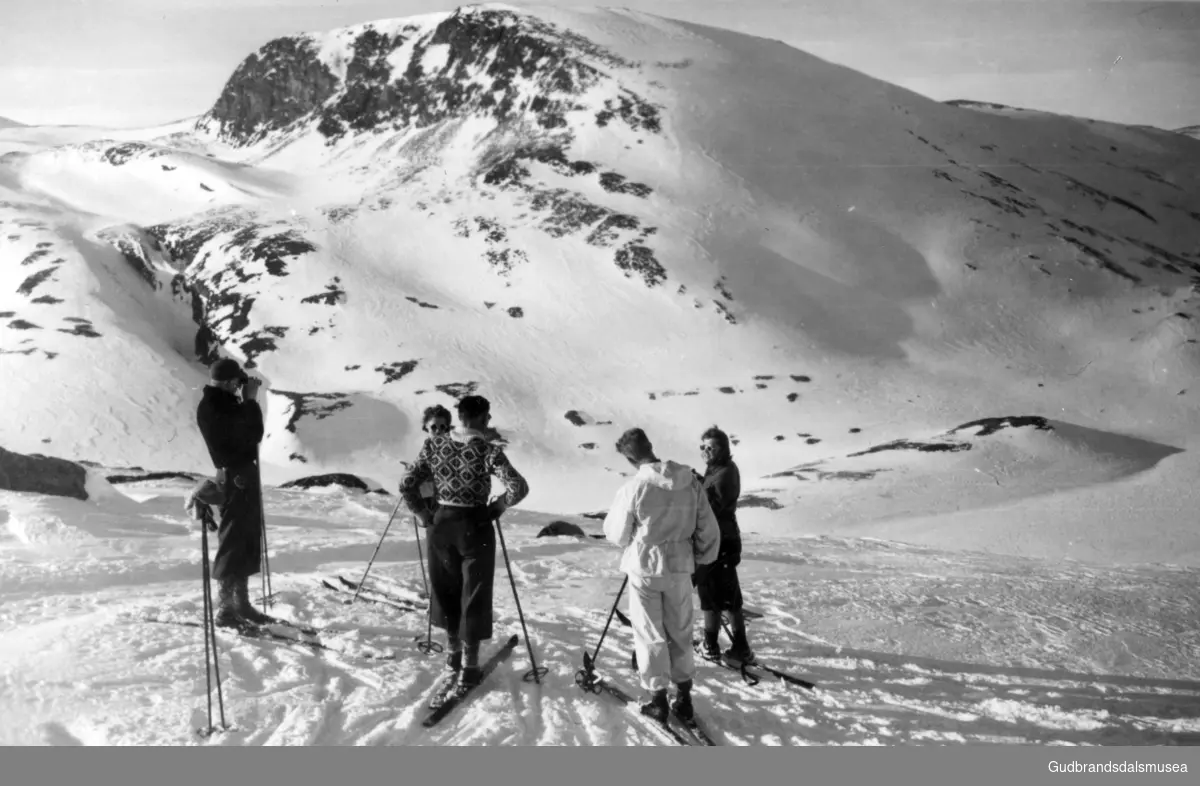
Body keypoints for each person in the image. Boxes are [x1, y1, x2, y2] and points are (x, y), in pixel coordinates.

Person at [399, 395, 529, 697]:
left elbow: (407, 483)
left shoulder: (434, 444)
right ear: (483, 418)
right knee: (474, 591)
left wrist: (422, 513)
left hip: (440, 524)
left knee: (446, 589)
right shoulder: (487, 450)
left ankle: (452, 654)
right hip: (475, 525)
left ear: (459, 417)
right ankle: (470, 665)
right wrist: (497, 507)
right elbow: (518, 487)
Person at [603, 427, 720, 723]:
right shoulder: (689, 481)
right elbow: (708, 527)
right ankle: (683, 696)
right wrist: (702, 556)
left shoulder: (634, 487)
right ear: (651, 446)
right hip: (680, 565)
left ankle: (657, 698)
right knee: (680, 629)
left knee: (649, 632)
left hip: (644, 566)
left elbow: (617, 533)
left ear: (630, 459)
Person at [195, 357, 270, 628]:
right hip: (235, 474)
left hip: (241, 473)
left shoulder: (222, 403)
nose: (240, 385)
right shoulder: (215, 406)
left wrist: (245, 401)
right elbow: (253, 434)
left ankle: (241, 603)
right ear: (228, 382)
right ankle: (226, 608)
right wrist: (250, 401)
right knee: (235, 538)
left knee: (246, 536)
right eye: (237, 381)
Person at [695, 425, 754, 664]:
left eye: (711, 447)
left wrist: (696, 487)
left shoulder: (726, 472)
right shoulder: (716, 470)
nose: (706, 451)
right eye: (703, 447)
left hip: (720, 542)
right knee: (719, 594)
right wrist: (699, 479)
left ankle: (713, 645)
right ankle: (734, 646)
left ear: (723, 449)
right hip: (719, 540)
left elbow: (714, 505)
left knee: (717, 595)